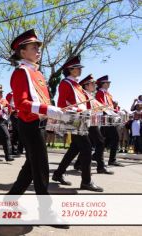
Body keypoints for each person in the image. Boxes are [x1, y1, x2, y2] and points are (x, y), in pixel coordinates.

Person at [7, 29, 69, 195]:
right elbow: (21, 103)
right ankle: (45, 210)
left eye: (38, 47)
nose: (38, 50)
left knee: (31, 165)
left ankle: (10, 201)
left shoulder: (38, 73)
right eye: (34, 47)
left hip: (39, 123)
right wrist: (48, 109)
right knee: (41, 166)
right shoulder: (21, 72)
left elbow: (43, 101)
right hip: (29, 124)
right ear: (22, 52)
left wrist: (52, 114)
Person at [53, 56, 104, 192]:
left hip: (81, 120)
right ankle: (86, 182)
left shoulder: (77, 86)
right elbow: (61, 104)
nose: (80, 70)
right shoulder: (65, 83)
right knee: (87, 149)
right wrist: (78, 109)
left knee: (74, 149)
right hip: (74, 120)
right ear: (70, 69)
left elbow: (85, 103)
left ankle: (58, 174)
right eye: (78, 68)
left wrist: (93, 109)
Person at [72, 75, 114, 175]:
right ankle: (100, 166)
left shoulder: (90, 95)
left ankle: (76, 165)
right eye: (92, 83)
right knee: (99, 142)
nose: (95, 85)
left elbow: (97, 107)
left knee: (79, 147)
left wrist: (108, 109)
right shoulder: (84, 95)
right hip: (87, 122)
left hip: (91, 122)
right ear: (86, 86)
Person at [95, 75, 123, 166]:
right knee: (115, 138)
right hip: (105, 118)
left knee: (104, 140)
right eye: (107, 82)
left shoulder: (108, 94)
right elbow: (101, 106)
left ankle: (96, 155)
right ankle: (112, 160)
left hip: (110, 117)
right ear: (102, 84)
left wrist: (116, 111)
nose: (109, 84)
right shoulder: (99, 93)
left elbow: (110, 107)